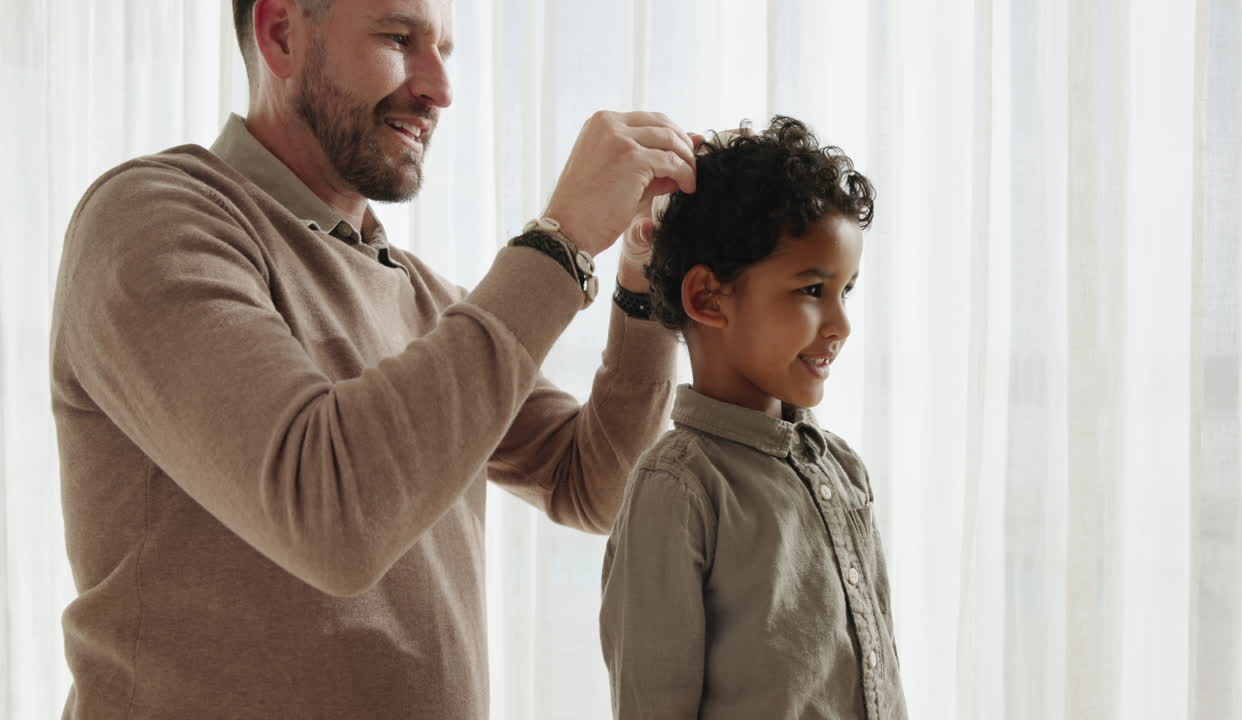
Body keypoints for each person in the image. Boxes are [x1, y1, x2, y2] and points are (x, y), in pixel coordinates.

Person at [49, 0, 700, 717]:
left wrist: (641, 280)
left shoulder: (420, 294)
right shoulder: (152, 218)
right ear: (281, 34)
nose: (439, 88)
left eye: (444, 50)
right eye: (399, 38)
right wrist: (560, 243)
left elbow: (594, 483)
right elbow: (331, 515)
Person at [599, 116, 909, 719]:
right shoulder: (680, 489)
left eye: (846, 291)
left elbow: (881, 676)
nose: (841, 325)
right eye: (812, 290)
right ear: (708, 299)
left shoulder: (843, 469)